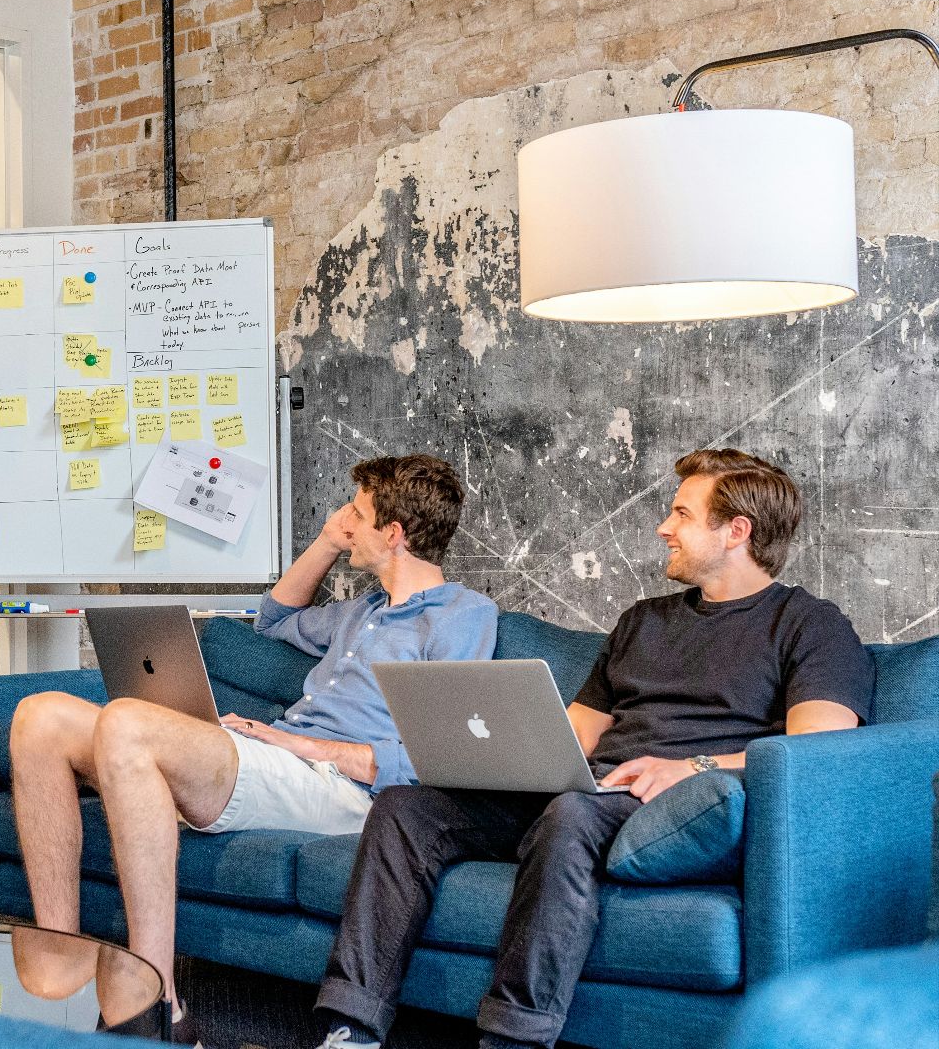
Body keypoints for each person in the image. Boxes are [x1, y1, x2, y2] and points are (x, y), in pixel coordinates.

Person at [310, 448, 874, 1049]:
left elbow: (819, 746)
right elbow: (576, 732)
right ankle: (352, 1027)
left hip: (684, 804)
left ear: (737, 531)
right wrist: (503, 758)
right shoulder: (643, 621)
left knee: (572, 813)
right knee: (406, 806)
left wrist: (690, 767)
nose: (664, 527)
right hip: (592, 790)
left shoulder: (808, 624)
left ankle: (513, 1037)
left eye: (682, 514)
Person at [9, 454, 499, 1027]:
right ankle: (60, 944)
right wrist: (324, 542)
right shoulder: (360, 612)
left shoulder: (462, 617)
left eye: (356, 514)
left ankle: (155, 995)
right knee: (38, 717)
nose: (345, 520)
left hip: (340, 790)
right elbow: (273, 619)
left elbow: (440, 757)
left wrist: (308, 748)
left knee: (127, 723)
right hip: (279, 760)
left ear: (393, 534)